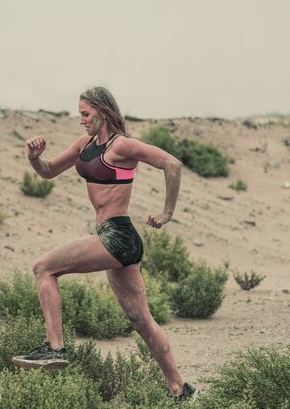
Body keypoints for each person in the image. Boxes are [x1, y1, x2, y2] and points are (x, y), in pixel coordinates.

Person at [13, 87, 197, 401]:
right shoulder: (84, 145)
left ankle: (54, 349)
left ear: (102, 111)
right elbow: (48, 172)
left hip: (118, 234)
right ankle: (180, 389)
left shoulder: (122, 145)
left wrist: (167, 212)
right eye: (80, 114)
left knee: (43, 268)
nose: (81, 120)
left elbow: (172, 164)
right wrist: (34, 158)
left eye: (86, 114)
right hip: (114, 239)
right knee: (141, 320)